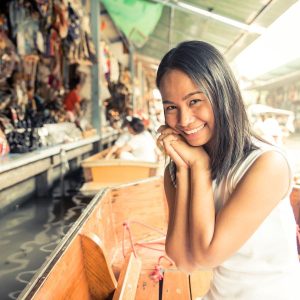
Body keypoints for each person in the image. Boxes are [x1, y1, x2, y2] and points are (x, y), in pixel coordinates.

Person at [156, 41, 299, 299]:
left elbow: (205, 257)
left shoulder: (266, 165)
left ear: (222, 94)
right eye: (171, 107)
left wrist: (200, 167)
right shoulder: (177, 170)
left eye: (195, 101)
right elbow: (184, 262)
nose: (184, 120)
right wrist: (187, 170)